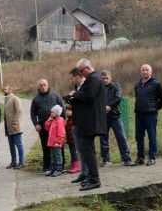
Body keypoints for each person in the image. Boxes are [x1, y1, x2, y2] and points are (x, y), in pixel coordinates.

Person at [67, 59, 107, 191]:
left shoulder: (94, 78)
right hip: (87, 120)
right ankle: (90, 178)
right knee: (87, 151)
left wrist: (75, 94)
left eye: (81, 70)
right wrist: (72, 97)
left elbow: (89, 96)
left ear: (87, 68)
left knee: (88, 152)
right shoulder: (91, 79)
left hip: (90, 121)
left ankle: (95, 180)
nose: (80, 73)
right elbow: (85, 96)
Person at [134, 63, 162, 166]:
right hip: (139, 115)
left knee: (152, 137)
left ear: (151, 72)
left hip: (150, 115)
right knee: (139, 137)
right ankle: (140, 158)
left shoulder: (156, 84)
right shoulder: (137, 85)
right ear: (141, 72)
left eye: (147, 70)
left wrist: (156, 107)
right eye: (143, 70)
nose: (145, 72)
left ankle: (152, 158)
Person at [30, 79, 64, 174]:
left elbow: (63, 109)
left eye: (45, 85)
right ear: (38, 87)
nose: (43, 86)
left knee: (58, 147)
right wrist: (36, 124)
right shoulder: (36, 99)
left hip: (57, 126)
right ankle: (47, 167)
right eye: (41, 85)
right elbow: (32, 114)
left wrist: (63, 123)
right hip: (43, 127)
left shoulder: (55, 96)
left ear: (48, 85)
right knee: (46, 147)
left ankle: (60, 166)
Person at [99, 70, 133, 166]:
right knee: (103, 139)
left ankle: (126, 159)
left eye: (107, 78)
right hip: (103, 117)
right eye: (103, 79)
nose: (105, 80)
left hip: (115, 116)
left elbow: (118, 98)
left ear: (110, 78)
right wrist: (103, 107)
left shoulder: (116, 86)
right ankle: (106, 160)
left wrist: (109, 106)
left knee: (121, 137)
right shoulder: (98, 88)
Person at [3, 86, 24, 169]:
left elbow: (19, 111)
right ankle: (14, 162)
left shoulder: (15, 98)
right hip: (8, 127)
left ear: (10, 90)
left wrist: (15, 122)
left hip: (15, 126)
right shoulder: (6, 99)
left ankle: (21, 162)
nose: (4, 90)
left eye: (5, 89)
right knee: (11, 145)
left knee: (19, 145)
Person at [44, 104, 66, 176]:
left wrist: (58, 141)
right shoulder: (53, 120)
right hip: (51, 142)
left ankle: (58, 169)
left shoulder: (60, 121)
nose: (51, 113)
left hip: (56, 143)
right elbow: (46, 128)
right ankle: (52, 169)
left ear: (57, 113)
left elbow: (61, 133)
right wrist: (48, 120)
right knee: (52, 155)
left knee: (57, 155)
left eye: (52, 112)